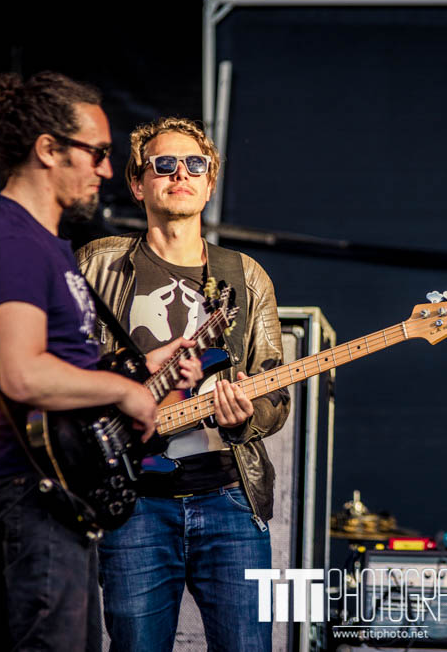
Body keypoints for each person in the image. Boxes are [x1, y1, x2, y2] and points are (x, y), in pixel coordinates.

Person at [0, 72, 201, 650]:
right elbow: (23, 373)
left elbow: (65, 366)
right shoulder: (16, 242)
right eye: (96, 153)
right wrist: (124, 394)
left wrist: (141, 369)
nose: (106, 170)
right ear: (48, 149)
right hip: (36, 486)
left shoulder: (46, 243)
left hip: (65, 488)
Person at [76, 116, 290, 651]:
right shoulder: (99, 263)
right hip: (136, 504)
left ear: (210, 181)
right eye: (163, 164)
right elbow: (65, 371)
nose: (180, 174)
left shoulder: (246, 276)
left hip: (230, 500)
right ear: (137, 183)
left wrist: (247, 416)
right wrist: (131, 371)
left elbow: (275, 393)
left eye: (195, 164)